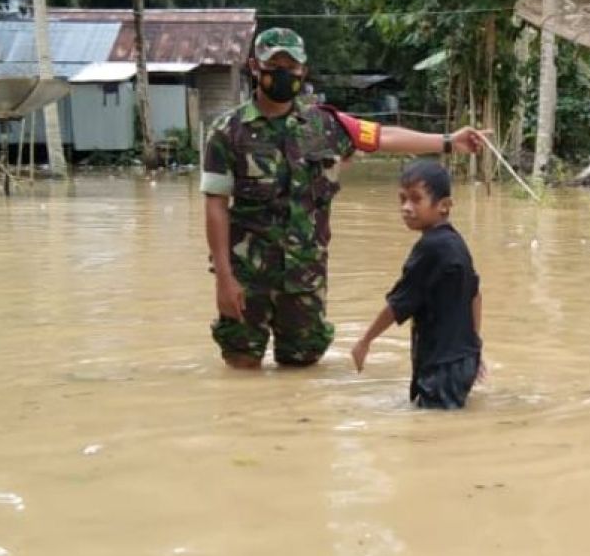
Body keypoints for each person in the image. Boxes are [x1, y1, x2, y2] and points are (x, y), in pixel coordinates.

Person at [201, 27, 488, 369]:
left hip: (304, 280)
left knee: (301, 373)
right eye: (274, 63)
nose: (283, 73)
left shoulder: (327, 126)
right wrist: (223, 278)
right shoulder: (226, 132)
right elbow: (215, 205)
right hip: (246, 278)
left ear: (302, 71)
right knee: (240, 366)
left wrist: (447, 141)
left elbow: (383, 136)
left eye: (291, 66)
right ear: (254, 66)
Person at [351, 160, 483, 409]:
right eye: (402, 199)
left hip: (442, 367)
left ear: (444, 206)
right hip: (461, 360)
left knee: (433, 435)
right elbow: (476, 294)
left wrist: (364, 341)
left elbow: (398, 303)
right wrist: (474, 348)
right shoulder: (455, 242)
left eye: (415, 200)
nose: (406, 208)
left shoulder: (431, 248)